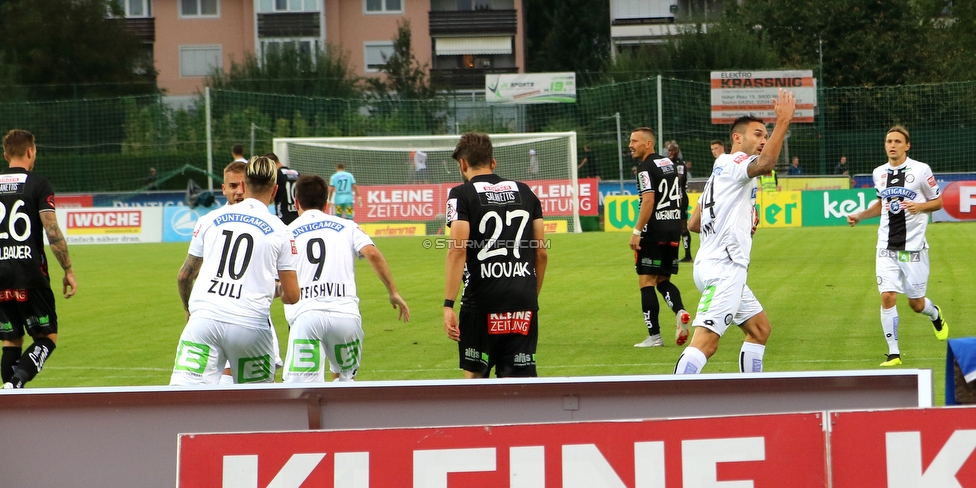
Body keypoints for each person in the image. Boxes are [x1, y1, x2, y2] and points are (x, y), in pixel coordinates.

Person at [674, 88, 795, 375]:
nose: (763, 140)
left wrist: (735, 219)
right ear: (737, 138)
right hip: (725, 268)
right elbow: (766, 164)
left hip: (712, 263)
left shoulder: (720, 170)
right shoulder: (734, 162)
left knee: (760, 329)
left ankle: (753, 395)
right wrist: (783, 122)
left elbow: (693, 224)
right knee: (706, 343)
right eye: (758, 134)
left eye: (766, 136)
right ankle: (671, 408)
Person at [170, 156, 300, 385]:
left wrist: (188, 308)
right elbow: (292, 296)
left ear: (243, 185)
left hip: (205, 320)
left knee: (184, 399)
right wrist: (272, 288)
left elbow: (184, 276)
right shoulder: (282, 231)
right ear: (275, 190)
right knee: (256, 407)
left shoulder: (208, 220)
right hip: (250, 325)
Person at [282, 175, 409, 382]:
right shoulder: (347, 226)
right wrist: (393, 292)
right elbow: (373, 253)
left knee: (303, 390)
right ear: (326, 204)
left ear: (297, 202)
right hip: (345, 316)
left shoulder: (287, 232)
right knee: (344, 382)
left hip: (306, 315)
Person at [443, 132, 547, 378]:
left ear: (463, 164)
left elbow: (458, 249)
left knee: (476, 378)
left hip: (482, 300)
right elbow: (540, 252)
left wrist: (448, 305)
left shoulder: (460, 195)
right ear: (493, 162)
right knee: (519, 384)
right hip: (522, 300)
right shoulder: (526, 192)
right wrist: (530, 294)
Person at [846, 126, 948, 366]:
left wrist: (920, 207)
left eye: (897, 141)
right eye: (888, 141)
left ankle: (935, 314)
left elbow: (939, 202)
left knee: (916, 303)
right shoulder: (879, 173)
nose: (892, 145)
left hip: (913, 250)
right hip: (886, 247)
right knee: (888, 296)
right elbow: (881, 205)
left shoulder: (921, 170)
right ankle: (894, 353)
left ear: (907, 145)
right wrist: (860, 215)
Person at [0, 129, 77, 389]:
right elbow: (52, 231)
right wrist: (68, 269)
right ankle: (17, 381)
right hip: (30, 273)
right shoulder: (38, 184)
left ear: (5, 154)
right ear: (31, 151)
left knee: (11, 340)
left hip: (0, 275)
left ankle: (8, 393)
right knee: (47, 337)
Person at [628, 129, 690, 348]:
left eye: (634, 141)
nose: (630, 145)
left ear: (648, 143)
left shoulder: (644, 168)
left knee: (646, 281)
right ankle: (680, 310)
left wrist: (637, 231)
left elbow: (648, 200)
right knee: (663, 280)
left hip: (653, 232)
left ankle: (654, 337)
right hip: (672, 229)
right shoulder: (668, 164)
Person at [668, 142, 693, 263]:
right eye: (669, 151)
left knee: (682, 226)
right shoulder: (667, 164)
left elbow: (679, 178)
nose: (670, 153)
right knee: (672, 227)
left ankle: (688, 255)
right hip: (670, 199)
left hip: (681, 197)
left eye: (673, 151)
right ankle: (672, 255)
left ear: (677, 152)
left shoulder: (680, 164)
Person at [266, 152, 300, 225]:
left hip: (283, 217)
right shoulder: (296, 173)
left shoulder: (277, 174)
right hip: (298, 216)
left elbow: (271, 198)